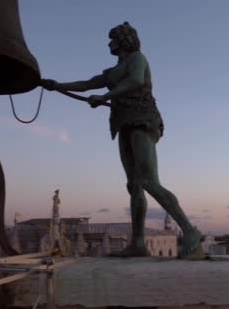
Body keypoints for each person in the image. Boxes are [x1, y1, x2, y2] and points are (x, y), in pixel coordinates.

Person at [39, 22, 202, 258]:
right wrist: (56, 86)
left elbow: (135, 81)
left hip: (142, 120)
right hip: (123, 124)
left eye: (113, 39)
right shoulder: (112, 72)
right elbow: (86, 84)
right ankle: (137, 243)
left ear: (123, 41)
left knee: (148, 181)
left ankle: (189, 231)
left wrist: (105, 95)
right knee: (134, 186)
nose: (109, 43)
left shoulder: (138, 58)